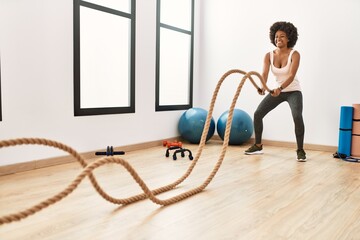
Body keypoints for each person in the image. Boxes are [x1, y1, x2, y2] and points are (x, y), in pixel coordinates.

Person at [244, 21, 306, 162]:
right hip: (277, 91)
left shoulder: (295, 54)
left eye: (282, 36)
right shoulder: (268, 55)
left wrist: (280, 88)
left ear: (289, 38)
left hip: (293, 91)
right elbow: (264, 74)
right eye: (276, 36)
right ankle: (258, 145)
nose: (279, 39)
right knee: (258, 114)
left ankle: (300, 150)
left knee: (297, 116)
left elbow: (291, 75)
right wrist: (262, 86)